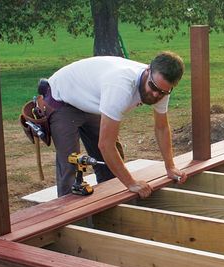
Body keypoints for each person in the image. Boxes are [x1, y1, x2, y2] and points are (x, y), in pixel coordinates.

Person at [42, 51, 188, 198]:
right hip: (63, 98)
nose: (156, 94)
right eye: (153, 87)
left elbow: (162, 128)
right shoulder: (121, 85)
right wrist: (131, 183)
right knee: (72, 164)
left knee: (112, 164)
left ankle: (108, 209)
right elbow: (105, 144)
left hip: (92, 97)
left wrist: (170, 166)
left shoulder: (160, 88)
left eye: (163, 92)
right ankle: (69, 215)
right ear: (148, 70)